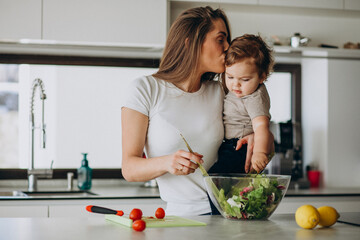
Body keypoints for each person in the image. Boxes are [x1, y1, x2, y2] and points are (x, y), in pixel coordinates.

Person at [121, 7, 271, 216]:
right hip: (181, 217)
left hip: (231, 213)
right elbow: (129, 168)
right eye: (221, 39)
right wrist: (167, 162)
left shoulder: (223, 89)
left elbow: (263, 130)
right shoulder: (145, 89)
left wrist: (255, 136)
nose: (228, 47)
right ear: (191, 42)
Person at [209, 34, 275, 175]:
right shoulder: (238, 90)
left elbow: (261, 126)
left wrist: (259, 152)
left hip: (240, 148)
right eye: (230, 77)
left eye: (244, 79)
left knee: (215, 180)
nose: (235, 84)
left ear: (262, 76)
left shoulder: (254, 96)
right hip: (230, 145)